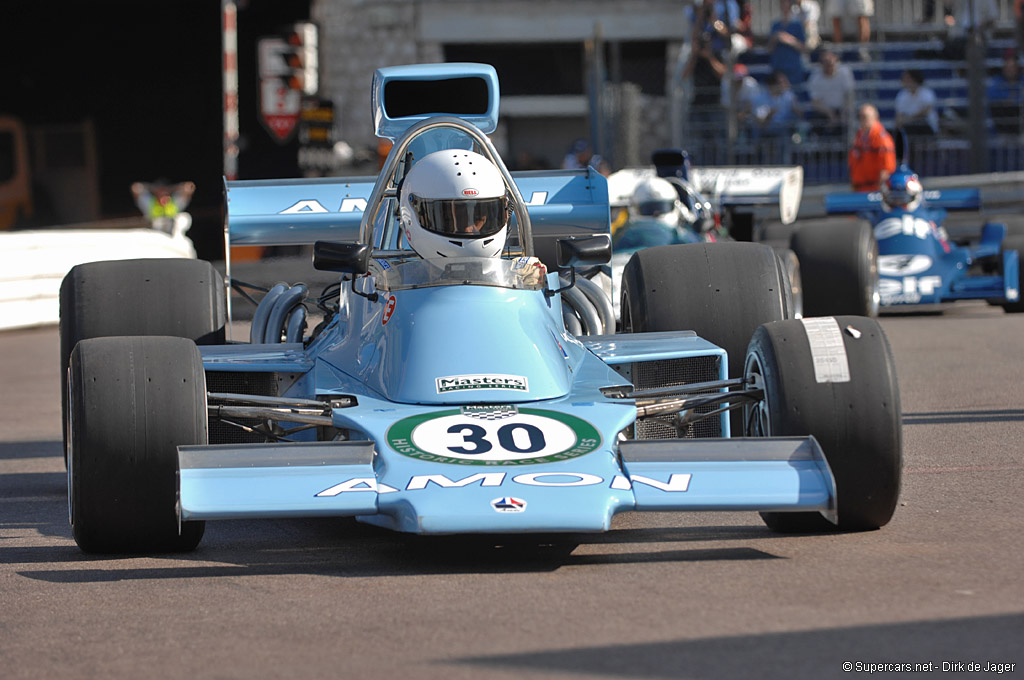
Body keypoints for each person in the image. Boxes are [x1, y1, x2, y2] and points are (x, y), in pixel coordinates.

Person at [399, 150, 511, 259]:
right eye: (449, 220)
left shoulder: (523, 273)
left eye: (477, 218)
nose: (469, 230)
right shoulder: (387, 276)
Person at [806, 49, 855, 138]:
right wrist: (831, 115)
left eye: (831, 63)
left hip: (842, 110)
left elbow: (849, 95)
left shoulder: (845, 73)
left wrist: (843, 113)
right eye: (826, 63)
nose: (829, 66)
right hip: (824, 112)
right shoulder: (815, 78)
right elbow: (815, 102)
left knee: (848, 121)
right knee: (817, 122)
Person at [848, 104, 896, 192]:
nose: (862, 120)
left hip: (874, 190)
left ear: (875, 117)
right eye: (860, 117)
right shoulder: (860, 136)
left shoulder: (881, 137)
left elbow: (886, 167)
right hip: (860, 188)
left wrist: (880, 189)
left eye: (865, 117)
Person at [768, 0, 808, 88]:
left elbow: (803, 48)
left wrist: (788, 39)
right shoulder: (775, 25)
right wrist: (775, 39)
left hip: (793, 68)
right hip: (778, 67)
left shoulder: (797, 25)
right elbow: (769, 49)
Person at [987, 49, 1024, 136]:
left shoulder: (1022, 80)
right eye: (1008, 65)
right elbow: (992, 97)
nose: (1010, 69)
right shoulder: (996, 81)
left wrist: (1011, 100)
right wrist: (1010, 99)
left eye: (1013, 66)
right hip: (1001, 128)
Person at [895, 69, 939, 138]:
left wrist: (909, 119)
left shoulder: (926, 93)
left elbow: (926, 111)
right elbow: (899, 116)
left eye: (907, 78)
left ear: (914, 79)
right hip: (909, 127)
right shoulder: (902, 95)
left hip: (926, 126)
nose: (904, 80)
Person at [721, 63, 762, 134]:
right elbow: (725, 105)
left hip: (749, 113)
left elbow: (753, 104)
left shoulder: (751, 84)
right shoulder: (726, 83)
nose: (739, 81)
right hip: (731, 113)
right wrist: (735, 116)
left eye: (741, 78)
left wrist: (742, 114)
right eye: (737, 79)